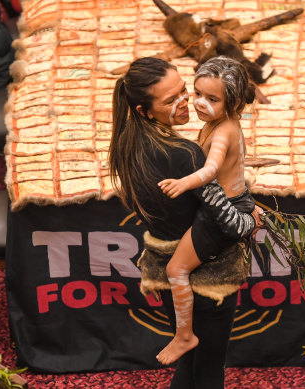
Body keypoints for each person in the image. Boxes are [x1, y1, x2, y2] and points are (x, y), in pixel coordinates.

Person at [109, 57, 262, 389]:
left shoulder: (127, 145)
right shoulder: (185, 155)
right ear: (144, 111)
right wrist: (249, 221)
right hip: (207, 276)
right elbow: (224, 219)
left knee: (189, 365)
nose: (186, 103)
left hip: (168, 271)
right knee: (208, 371)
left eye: (183, 90)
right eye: (171, 99)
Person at [156, 56, 256, 365]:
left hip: (221, 212)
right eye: (197, 93)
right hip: (230, 201)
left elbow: (211, 170)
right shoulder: (218, 123)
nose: (199, 103)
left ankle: (185, 335)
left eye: (212, 99)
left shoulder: (224, 131)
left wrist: (184, 183)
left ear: (234, 102)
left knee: (176, 269)